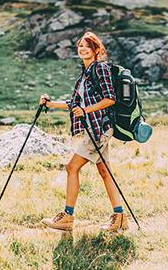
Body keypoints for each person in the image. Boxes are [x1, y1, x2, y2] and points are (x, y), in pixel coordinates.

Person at [38, 31, 128, 233]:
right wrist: (50, 104)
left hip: (99, 128)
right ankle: (120, 217)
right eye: (80, 45)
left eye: (87, 45)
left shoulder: (101, 68)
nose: (82, 48)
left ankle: (68, 217)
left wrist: (86, 110)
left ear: (96, 49)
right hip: (96, 128)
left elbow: (110, 98)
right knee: (105, 172)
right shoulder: (85, 76)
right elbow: (75, 104)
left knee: (71, 168)